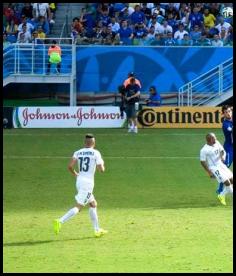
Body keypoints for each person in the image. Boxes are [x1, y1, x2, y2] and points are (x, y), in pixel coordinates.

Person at [54, 134, 108, 237]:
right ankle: (60, 221)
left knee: (93, 204)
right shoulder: (96, 153)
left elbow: (70, 166)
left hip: (79, 181)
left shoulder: (78, 152)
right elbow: (101, 170)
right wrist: (102, 166)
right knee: (79, 206)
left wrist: (75, 174)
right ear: (94, 143)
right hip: (88, 183)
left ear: (85, 143)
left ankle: (97, 230)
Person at [200, 133, 233, 206]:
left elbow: (222, 150)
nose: (216, 139)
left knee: (232, 180)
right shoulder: (204, 150)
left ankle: (221, 195)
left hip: (221, 165)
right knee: (227, 182)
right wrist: (209, 172)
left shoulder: (217, 142)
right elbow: (202, 161)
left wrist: (222, 157)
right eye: (214, 138)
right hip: (214, 168)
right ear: (210, 139)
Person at [217, 105, 233, 194]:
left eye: (229, 111)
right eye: (226, 112)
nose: (228, 113)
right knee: (225, 167)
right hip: (229, 148)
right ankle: (220, 188)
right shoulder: (225, 124)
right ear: (223, 114)